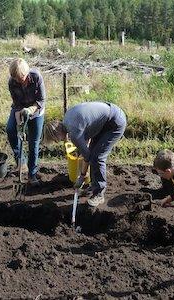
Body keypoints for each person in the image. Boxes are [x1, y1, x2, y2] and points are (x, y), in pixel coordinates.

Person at [43, 101, 127, 207]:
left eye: (55, 140)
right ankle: (94, 186)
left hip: (114, 122)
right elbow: (86, 138)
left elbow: (87, 157)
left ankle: (99, 194)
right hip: (106, 119)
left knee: (97, 158)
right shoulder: (67, 119)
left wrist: (82, 176)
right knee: (93, 154)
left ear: (57, 133)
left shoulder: (74, 133)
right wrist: (82, 150)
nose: (57, 142)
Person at [7, 58, 45, 186]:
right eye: (16, 79)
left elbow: (41, 100)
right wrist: (19, 126)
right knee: (11, 130)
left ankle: (32, 175)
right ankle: (21, 162)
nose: (18, 81)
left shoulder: (36, 77)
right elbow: (17, 105)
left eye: (20, 78)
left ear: (26, 74)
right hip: (19, 109)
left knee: (33, 143)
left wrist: (30, 109)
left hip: (36, 112)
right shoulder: (12, 82)